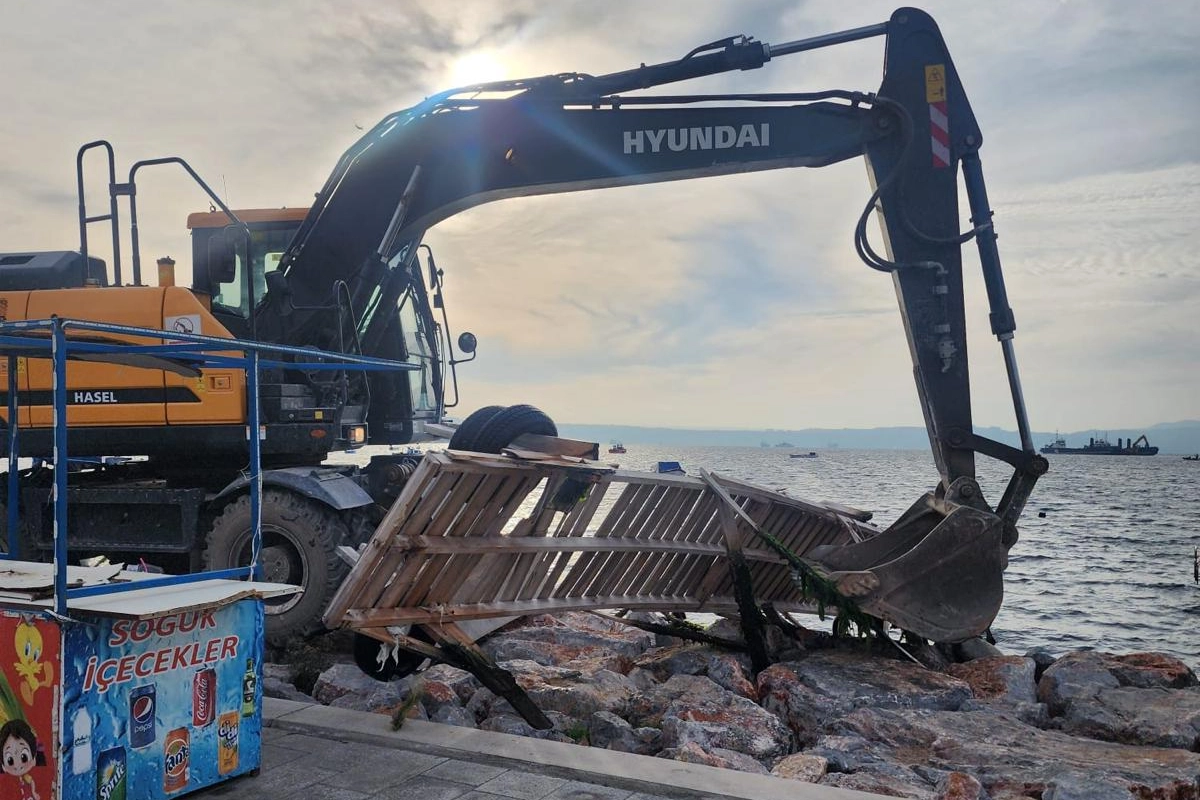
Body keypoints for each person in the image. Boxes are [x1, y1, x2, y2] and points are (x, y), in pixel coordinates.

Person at [0, 719, 44, 800]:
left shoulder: (27, 777)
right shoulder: (7, 783)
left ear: (34, 758)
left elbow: (31, 782)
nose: (18, 766)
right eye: (10, 760)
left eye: (24, 757)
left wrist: (33, 792)